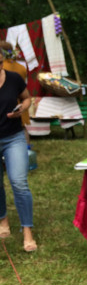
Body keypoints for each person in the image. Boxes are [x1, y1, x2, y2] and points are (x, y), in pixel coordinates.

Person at [0, 48, 37, 251]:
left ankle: (27, 230)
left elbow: (27, 98)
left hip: (13, 137)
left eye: (0, 63)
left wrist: (22, 108)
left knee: (19, 182)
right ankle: (3, 219)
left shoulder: (14, 78)